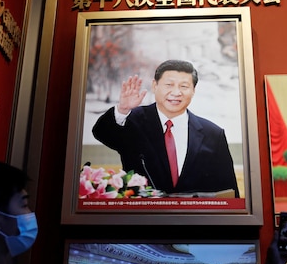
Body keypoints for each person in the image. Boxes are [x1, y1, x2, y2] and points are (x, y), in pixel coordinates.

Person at [92, 59, 239, 196]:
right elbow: (102, 133)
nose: (176, 92)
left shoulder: (212, 134)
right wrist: (122, 109)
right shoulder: (133, 120)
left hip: (195, 220)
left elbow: (228, 190)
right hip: (142, 218)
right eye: (169, 85)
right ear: (155, 86)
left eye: (184, 86)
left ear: (193, 90)